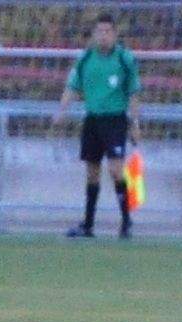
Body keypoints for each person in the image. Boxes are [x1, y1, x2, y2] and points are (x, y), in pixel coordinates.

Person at [60, 17, 139, 239]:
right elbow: (72, 87)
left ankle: (126, 222)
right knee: (92, 173)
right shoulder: (86, 58)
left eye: (107, 31)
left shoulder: (125, 59)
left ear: (114, 34)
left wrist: (135, 124)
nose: (103, 35)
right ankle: (88, 225)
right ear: (94, 35)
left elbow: (134, 93)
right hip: (92, 121)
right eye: (99, 31)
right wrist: (62, 110)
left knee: (116, 170)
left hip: (115, 121)